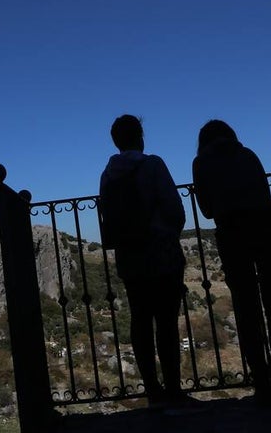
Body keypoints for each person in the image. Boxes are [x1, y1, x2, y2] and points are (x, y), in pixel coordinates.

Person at [193, 119, 271, 406]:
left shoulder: (201, 163)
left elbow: (207, 210)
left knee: (246, 307)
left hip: (233, 235)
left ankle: (260, 379)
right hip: (268, 230)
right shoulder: (248, 154)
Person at [98, 114, 193, 409]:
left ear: (115, 141)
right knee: (166, 322)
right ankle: (173, 389)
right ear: (140, 136)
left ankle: (152, 390)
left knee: (140, 320)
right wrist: (167, 234)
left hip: (129, 255)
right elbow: (175, 210)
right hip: (160, 252)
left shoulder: (108, 174)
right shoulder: (153, 164)